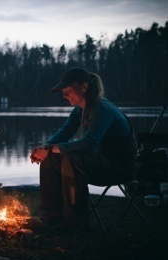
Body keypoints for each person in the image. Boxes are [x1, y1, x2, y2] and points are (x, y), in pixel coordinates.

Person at [29, 67, 138, 232]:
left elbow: (89, 144)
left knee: (72, 159)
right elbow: (65, 132)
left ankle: (75, 223)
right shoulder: (80, 109)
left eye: (67, 91)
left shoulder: (102, 108)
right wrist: (45, 150)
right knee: (50, 158)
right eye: (62, 92)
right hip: (99, 163)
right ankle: (53, 215)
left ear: (84, 87)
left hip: (121, 167)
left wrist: (51, 149)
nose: (64, 95)